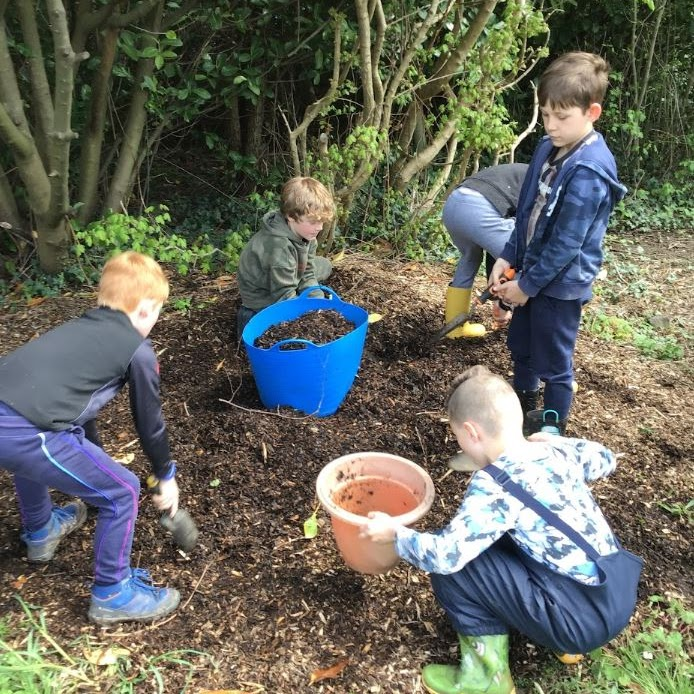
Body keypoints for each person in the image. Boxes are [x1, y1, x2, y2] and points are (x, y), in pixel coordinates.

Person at [361, 365, 641, 694]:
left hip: (577, 620)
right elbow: (606, 458)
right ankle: (568, 645)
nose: (461, 446)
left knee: (459, 569)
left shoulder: (494, 486)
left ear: (472, 432)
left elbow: (445, 556)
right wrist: (553, 439)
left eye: (458, 437)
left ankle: (485, 679)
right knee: (513, 535)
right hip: (616, 595)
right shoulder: (556, 450)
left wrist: (394, 535)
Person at [0, 251, 182, 625]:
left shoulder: (82, 331)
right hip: (25, 430)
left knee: (35, 458)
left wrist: (94, 463)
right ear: (147, 309)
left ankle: (41, 531)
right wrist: (165, 475)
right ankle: (112, 594)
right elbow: (150, 422)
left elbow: (79, 411)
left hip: (12, 418)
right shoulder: (138, 350)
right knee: (123, 490)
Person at [489, 52, 627, 435]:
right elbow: (527, 208)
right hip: (532, 271)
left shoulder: (589, 172)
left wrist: (527, 287)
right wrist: (508, 255)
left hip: (561, 286)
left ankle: (552, 430)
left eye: (561, 117)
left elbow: (567, 244)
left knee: (554, 361)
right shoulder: (548, 148)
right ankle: (522, 410)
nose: (550, 125)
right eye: (546, 114)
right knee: (523, 347)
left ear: (592, 112)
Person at [236, 176, 335, 339]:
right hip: (263, 300)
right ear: (290, 216)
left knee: (324, 265)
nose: (319, 227)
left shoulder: (307, 235)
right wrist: (310, 322)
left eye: (322, 222)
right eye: (313, 222)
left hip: (284, 274)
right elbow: (284, 297)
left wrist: (321, 307)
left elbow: (308, 273)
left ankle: (298, 286)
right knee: (277, 333)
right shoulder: (278, 248)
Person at [442, 163, 529, 337]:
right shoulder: (544, 182)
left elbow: (497, 253)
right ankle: (523, 333)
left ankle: (454, 329)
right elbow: (509, 252)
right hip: (480, 209)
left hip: (453, 204)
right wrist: (502, 303)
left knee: (470, 257)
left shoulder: (525, 172)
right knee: (525, 262)